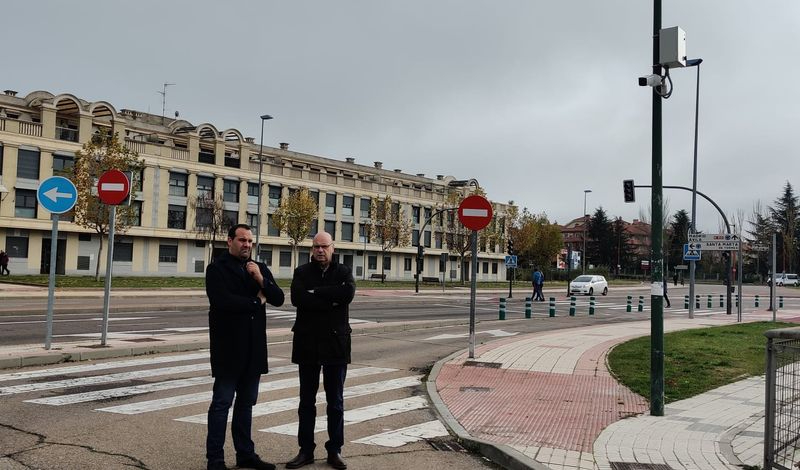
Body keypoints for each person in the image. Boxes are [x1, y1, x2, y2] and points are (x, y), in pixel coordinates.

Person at [205, 224, 285, 470]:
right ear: (230, 241)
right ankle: (215, 460)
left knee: (246, 404)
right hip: (228, 349)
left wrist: (261, 279)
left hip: (254, 349)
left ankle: (245, 454)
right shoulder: (216, 269)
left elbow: (279, 298)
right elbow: (223, 302)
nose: (247, 245)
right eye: (242, 240)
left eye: (250, 241)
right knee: (222, 404)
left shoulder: (258, 268)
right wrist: (256, 301)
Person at [286, 231, 356, 470]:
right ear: (312, 248)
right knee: (306, 401)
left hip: (336, 344)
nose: (320, 250)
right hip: (307, 344)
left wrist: (316, 292)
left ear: (332, 248)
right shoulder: (301, 272)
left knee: (335, 401)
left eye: (324, 246)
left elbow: (347, 294)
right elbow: (298, 298)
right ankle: (305, 450)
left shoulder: (343, 272)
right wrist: (331, 298)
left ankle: (334, 450)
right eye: (316, 246)